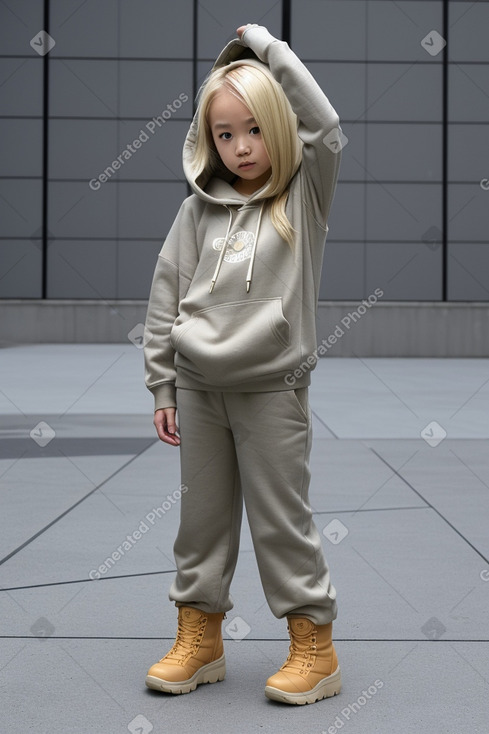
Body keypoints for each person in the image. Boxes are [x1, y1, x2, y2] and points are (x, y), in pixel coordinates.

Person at [143, 23, 342, 706]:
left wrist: (264, 47)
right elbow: (166, 293)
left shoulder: (302, 198)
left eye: (253, 129)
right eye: (224, 134)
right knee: (199, 521)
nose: (240, 147)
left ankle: (313, 647)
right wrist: (163, 383)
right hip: (198, 389)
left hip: (271, 390)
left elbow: (327, 128)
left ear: (279, 130)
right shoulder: (196, 210)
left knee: (280, 521)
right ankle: (200, 640)